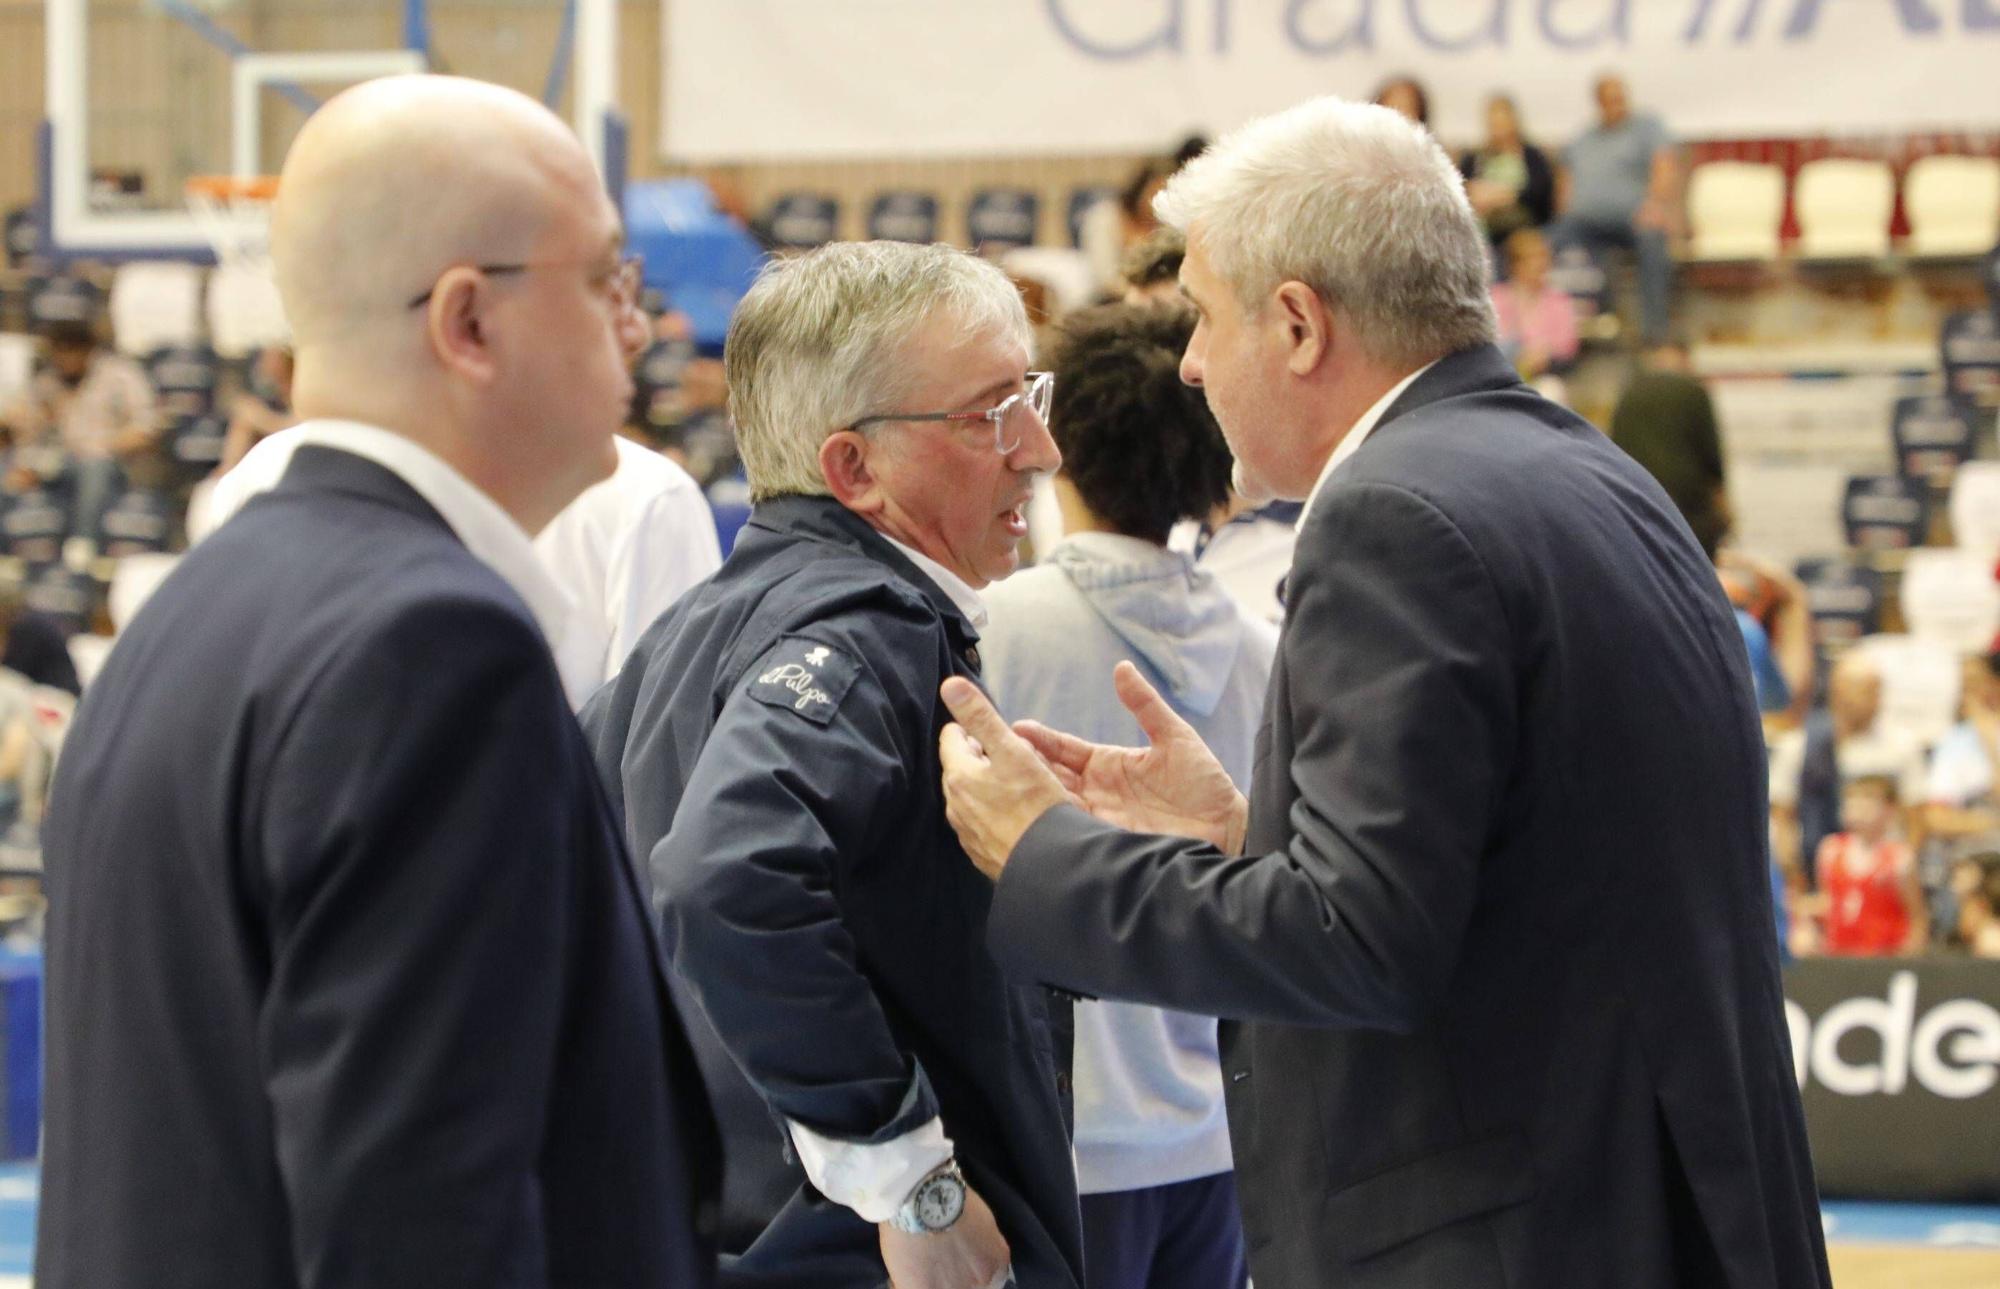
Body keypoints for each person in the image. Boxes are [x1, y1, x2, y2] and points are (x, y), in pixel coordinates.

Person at [933, 96, 1830, 1288]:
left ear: (1297, 324)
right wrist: (1238, 838)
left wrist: (1045, 853)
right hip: (1645, 1203)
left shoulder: (1390, 514)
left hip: (1511, 1232)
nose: (1188, 361)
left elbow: (1358, 943)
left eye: (1201, 315)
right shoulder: (1584, 469)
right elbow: (1515, 873)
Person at [34, 74, 719, 1289]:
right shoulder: (434, 647)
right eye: (606, 279)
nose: (642, 324)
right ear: (468, 322)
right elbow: (421, 1222)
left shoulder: (190, 610)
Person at [581, 240, 1081, 1289]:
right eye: (991, 413)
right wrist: (910, 1181)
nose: (1037, 448)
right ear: (854, 466)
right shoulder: (864, 632)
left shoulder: (687, 633)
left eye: (1028, 394)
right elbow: (728, 875)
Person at [980, 304, 1267, 1289]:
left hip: (1062, 1135)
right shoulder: (1261, 648)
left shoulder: (990, 628)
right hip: (1217, 1135)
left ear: (1059, 445)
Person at [202, 423, 722, 699]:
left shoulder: (646, 496)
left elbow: (658, 775)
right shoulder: (263, 477)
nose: (632, 326)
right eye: (600, 282)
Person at [1768, 650, 1928, 891]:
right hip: (1816, 870)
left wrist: (1899, 875)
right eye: (1864, 689)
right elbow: (1782, 820)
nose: (1875, 698)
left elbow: (1916, 821)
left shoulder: (1902, 747)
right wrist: (1794, 880)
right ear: (1836, 691)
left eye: (1878, 689)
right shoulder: (1798, 747)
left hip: (1883, 879)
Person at [1, 318, 157, 542]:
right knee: (8, 473)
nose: (65, 359)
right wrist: (23, 464)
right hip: (54, 462)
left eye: (71, 351)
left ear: (88, 350)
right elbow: (25, 432)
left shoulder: (120, 375)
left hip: (108, 463)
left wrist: (105, 446)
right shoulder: (46, 381)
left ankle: (82, 546)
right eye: (59, 352)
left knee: (93, 470)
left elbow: (146, 430)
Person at [1554, 74, 1679, 346]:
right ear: (1598, 103)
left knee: (1653, 240)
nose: (1617, 105)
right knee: (1550, 242)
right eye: (1610, 100)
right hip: (1586, 223)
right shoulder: (1583, 139)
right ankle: (1574, 330)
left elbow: (1664, 168)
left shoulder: (1648, 128)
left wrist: (1655, 205)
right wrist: (1567, 212)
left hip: (1634, 219)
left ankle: (1655, 332)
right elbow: (1566, 182)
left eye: (1620, 98)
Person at [1807, 775, 1925, 956]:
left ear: (1889, 810)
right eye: (1853, 804)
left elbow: (1916, 916)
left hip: (1885, 955)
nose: (1859, 812)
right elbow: (1827, 899)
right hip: (1839, 952)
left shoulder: (1899, 858)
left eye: (1867, 805)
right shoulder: (1830, 850)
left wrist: (1908, 956)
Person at [1459, 94, 1556, 246]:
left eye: (1502, 122)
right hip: (1481, 227)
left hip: (1522, 228)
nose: (1499, 128)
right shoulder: (1473, 158)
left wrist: (1505, 195)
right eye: (1494, 123)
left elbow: (1541, 192)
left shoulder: (1531, 155)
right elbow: (1460, 188)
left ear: (1514, 122)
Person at [1488, 227, 1578, 385]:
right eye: (1531, 259)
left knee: (1551, 389)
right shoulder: (1497, 298)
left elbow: (1567, 347)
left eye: (1543, 258)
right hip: (1502, 376)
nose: (1539, 265)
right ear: (1515, 265)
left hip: (1548, 374)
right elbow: (1491, 342)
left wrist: (1544, 354)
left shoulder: (1558, 300)